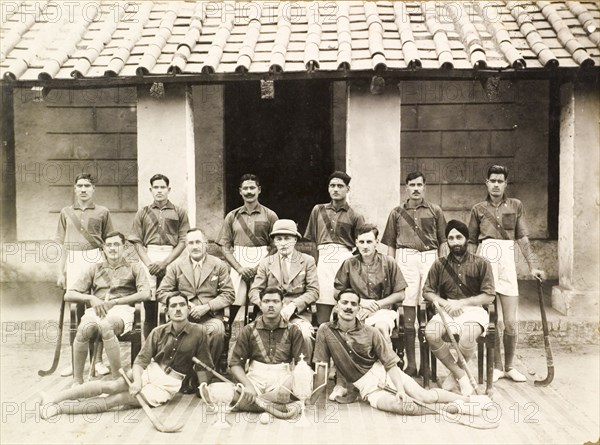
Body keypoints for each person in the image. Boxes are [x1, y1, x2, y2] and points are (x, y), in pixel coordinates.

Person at [314, 289, 492, 416]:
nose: (348, 307)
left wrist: (399, 389)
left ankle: (470, 401)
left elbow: (390, 363)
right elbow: (321, 364)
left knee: (425, 396)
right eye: (344, 303)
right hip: (367, 388)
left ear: (359, 309)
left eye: (353, 304)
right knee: (403, 407)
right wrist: (313, 396)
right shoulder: (325, 330)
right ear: (336, 307)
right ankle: (458, 408)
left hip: (386, 374)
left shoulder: (371, 332)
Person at [37, 294, 213, 419]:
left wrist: (204, 387)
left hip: (168, 384)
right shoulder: (158, 331)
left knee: (117, 400)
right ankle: (53, 398)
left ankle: (59, 410)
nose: (178, 309)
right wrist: (136, 381)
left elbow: (202, 364)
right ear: (167, 311)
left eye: (182, 305)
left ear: (188, 309)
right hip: (150, 371)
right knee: (112, 386)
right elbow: (141, 361)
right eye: (173, 306)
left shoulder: (200, 332)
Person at [468, 165, 545, 383]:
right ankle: (497, 366)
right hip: (486, 262)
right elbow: (472, 242)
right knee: (492, 321)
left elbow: (522, 238)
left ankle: (510, 366)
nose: (496, 185)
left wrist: (533, 266)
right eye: (492, 180)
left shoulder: (516, 206)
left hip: (507, 262)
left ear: (506, 183)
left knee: (511, 322)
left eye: (500, 181)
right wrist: (470, 271)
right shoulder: (478, 209)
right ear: (486, 182)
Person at [381, 171, 447, 377]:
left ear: (425, 187)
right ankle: (411, 363)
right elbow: (390, 244)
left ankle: (428, 365)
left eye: (419, 184)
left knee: (429, 311)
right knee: (407, 313)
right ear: (406, 187)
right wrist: (391, 271)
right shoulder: (396, 212)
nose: (416, 188)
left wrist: (442, 267)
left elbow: (443, 242)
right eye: (412, 185)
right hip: (405, 258)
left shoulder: (435, 210)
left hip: (429, 257)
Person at [331, 224, 407, 400]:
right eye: (361, 242)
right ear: (356, 243)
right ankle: (342, 383)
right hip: (356, 308)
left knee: (380, 328)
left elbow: (401, 293)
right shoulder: (349, 263)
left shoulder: (389, 262)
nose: (365, 246)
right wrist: (361, 303)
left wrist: (377, 305)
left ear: (377, 243)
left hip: (383, 310)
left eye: (369, 242)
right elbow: (337, 292)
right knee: (342, 331)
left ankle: (384, 378)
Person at [65, 231, 151, 384]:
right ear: (103, 248)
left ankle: (116, 380)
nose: (112, 248)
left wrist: (116, 302)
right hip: (97, 309)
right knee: (84, 329)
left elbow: (145, 294)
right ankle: (77, 381)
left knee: (106, 325)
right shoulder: (94, 268)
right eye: (109, 245)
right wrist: (91, 298)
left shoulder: (135, 267)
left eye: (116, 244)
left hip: (123, 310)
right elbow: (69, 294)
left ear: (124, 247)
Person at [423, 220, 495, 396]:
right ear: (447, 241)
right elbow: (427, 291)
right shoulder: (439, 264)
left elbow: (489, 295)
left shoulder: (482, 263)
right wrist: (445, 303)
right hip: (447, 309)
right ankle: (461, 376)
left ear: (467, 239)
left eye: (459, 237)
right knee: (431, 333)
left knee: (468, 333)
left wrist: (461, 303)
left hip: (474, 309)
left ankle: (452, 376)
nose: (455, 242)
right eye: (451, 238)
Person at [55, 173, 114, 377]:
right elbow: (62, 245)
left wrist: (109, 269)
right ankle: (75, 361)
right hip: (73, 259)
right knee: (75, 313)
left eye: (87, 185)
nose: (83, 189)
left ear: (93, 188)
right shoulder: (65, 212)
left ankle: (98, 360)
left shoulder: (103, 211)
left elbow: (109, 243)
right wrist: (60, 272)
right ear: (74, 188)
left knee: (98, 309)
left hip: (95, 258)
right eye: (79, 185)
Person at [157, 228, 235, 369]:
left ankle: (204, 371)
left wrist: (207, 307)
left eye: (198, 242)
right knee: (176, 331)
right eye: (191, 243)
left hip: (209, 316)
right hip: (183, 317)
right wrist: (185, 305)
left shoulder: (218, 265)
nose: (195, 246)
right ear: (186, 246)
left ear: (206, 244)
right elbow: (161, 292)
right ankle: (183, 369)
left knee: (217, 330)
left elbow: (229, 294)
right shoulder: (176, 266)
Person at [130, 173, 190, 338]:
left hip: (171, 257)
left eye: (162, 187)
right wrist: (149, 264)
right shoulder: (143, 212)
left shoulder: (179, 212)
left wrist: (165, 263)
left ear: (168, 189)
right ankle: (150, 349)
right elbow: (137, 241)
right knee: (149, 307)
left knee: (168, 304)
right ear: (151, 190)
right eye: (156, 187)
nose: (159, 191)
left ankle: (167, 347)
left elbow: (183, 241)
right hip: (148, 256)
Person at [249, 219, 319, 359]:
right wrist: (268, 306)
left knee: (305, 334)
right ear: (274, 241)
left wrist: (293, 306)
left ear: (295, 240)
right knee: (252, 335)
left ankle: (303, 371)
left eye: (287, 238)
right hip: (269, 314)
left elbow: (314, 291)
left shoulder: (307, 261)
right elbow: (254, 291)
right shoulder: (266, 262)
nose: (283, 243)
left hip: (297, 315)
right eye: (279, 239)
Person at [229, 287, 307, 411]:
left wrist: (288, 384)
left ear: (283, 304)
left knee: (297, 393)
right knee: (227, 393)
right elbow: (235, 363)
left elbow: (303, 365)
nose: (271, 305)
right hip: (255, 376)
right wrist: (248, 386)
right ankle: (275, 406)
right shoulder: (248, 330)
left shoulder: (293, 330)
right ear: (260, 304)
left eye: (275, 302)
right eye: (266, 301)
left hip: (282, 377)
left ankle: (250, 404)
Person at [304, 171, 365, 324]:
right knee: (323, 299)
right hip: (323, 260)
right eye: (332, 186)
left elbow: (361, 246)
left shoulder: (355, 216)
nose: (335, 189)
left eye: (340, 186)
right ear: (328, 188)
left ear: (347, 189)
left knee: (344, 301)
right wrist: (314, 264)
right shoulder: (318, 210)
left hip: (344, 260)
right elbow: (312, 241)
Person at [216, 174, 278, 320]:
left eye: (252, 188)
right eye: (245, 188)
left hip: (263, 263)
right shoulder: (232, 216)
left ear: (259, 190)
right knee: (233, 302)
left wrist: (259, 267)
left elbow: (275, 246)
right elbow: (224, 245)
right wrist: (239, 268)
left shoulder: (270, 215)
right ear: (240, 191)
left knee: (259, 303)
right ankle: (227, 334)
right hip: (239, 264)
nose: (249, 192)